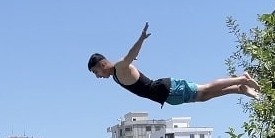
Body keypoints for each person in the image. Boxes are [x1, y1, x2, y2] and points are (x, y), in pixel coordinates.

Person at [88, 22, 260, 106]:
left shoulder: (119, 68)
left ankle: (242, 79)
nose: (97, 76)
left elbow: (129, 57)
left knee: (206, 88)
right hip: (166, 95)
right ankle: (239, 89)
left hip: (167, 88)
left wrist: (141, 40)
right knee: (204, 97)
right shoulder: (116, 77)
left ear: (102, 64)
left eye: (96, 72)